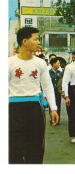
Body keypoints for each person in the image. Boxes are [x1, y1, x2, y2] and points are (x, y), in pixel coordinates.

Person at [8, 27, 59, 164]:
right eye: (35, 39)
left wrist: (53, 108)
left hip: (34, 109)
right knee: (13, 149)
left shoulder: (40, 63)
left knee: (35, 148)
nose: (38, 42)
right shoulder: (9, 63)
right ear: (24, 41)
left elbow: (47, 86)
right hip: (13, 109)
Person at [49, 58, 63, 124]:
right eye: (58, 63)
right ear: (53, 64)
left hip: (57, 91)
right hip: (51, 91)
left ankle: (58, 119)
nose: (59, 65)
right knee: (51, 105)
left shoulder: (60, 73)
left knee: (58, 104)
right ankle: (52, 119)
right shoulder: (48, 72)